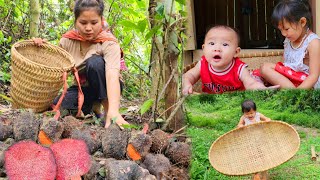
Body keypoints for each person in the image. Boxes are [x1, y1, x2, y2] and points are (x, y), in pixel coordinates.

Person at [33, 0, 129, 128]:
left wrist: (114, 110)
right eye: (83, 23)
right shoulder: (67, 41)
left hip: (107, 87)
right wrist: (41, 49)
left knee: (95, 63)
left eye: (94, 23)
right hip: (83, 89)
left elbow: (112, 75)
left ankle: (106, 111)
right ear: (75, 22)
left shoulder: (109, 43)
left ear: (101, 20)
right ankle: (92, 108)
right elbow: (55, 67)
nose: (88, 28)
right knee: (54, 107)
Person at [182, 25, 274, 95]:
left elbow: (250, 83)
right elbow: (189, 75)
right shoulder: (202, 64)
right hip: (212, 101)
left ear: (236, 52)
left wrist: (261, 88)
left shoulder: (239, 68)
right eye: (212, 43)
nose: (217, 48)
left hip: (236, 101)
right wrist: (187, 84)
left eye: (225, 45)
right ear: (204, 48)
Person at [260, 0, 320, 89]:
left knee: (266, 67)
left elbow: (313, 76)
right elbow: (285, 66)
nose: (283, 34)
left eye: (286, 29)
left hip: (306, 84)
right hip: (291, 79)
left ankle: (293, 94)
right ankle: (289, 90)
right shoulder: (288, 41)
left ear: (302, 22)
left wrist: (298, 92)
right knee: (261, 70)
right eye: (281, 30)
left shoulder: (313, 42)